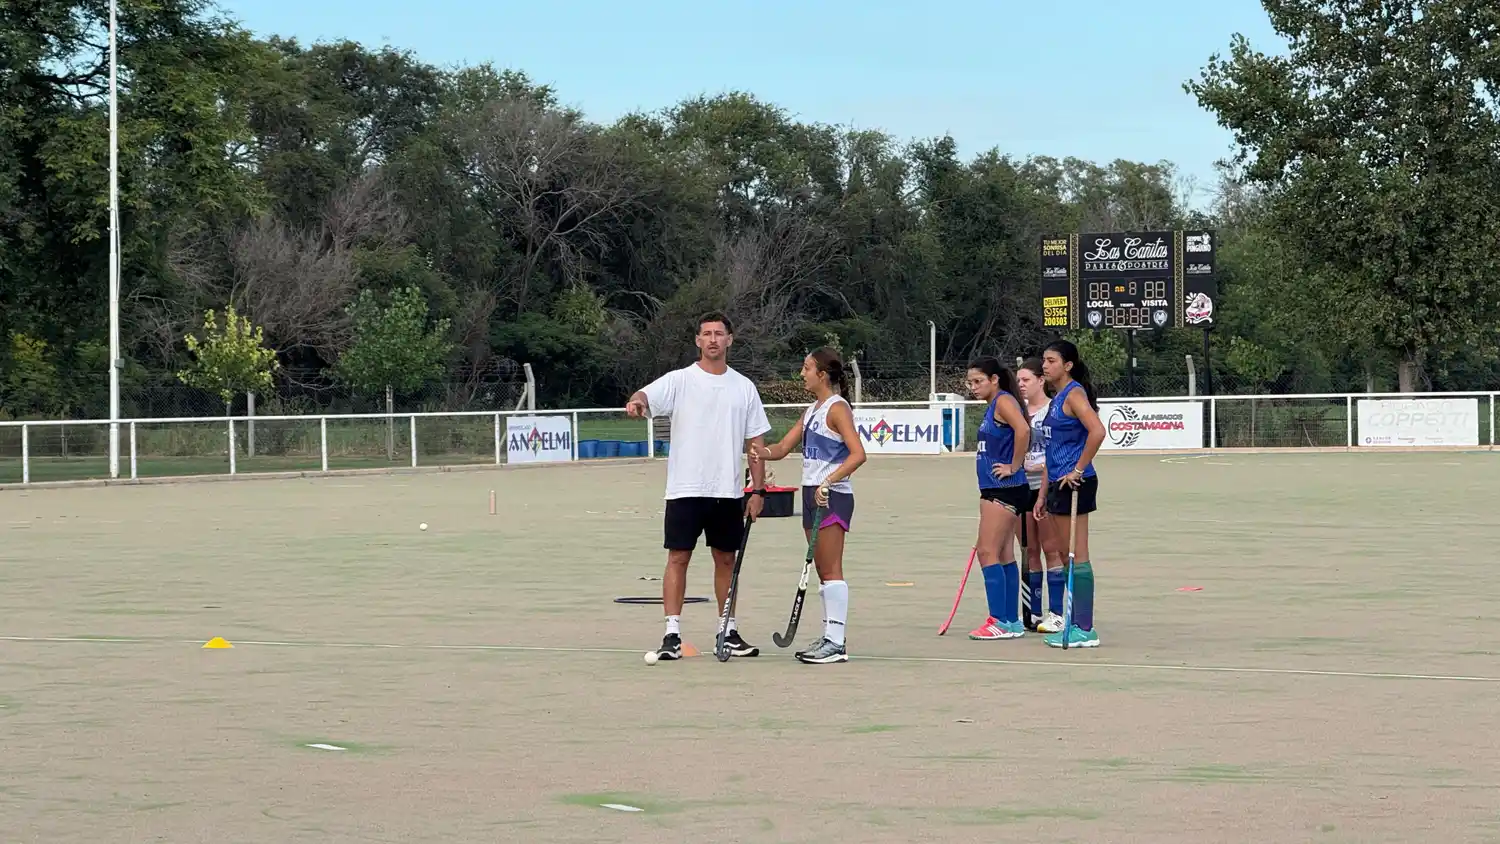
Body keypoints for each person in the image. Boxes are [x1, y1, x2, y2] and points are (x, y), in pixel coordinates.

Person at [625, 312, 772, 662]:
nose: (713, 340)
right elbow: (644, 394)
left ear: (729, 340)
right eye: (706, 334)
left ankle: (727, 630)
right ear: (697, 340)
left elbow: (756, 443)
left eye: (719, 334)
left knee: (726, 559)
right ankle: (672, 634)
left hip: (727, 491)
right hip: (685, 488)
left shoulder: (744, 388)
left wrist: (757, 490)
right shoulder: (679, 380)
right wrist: (638, 401)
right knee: (678, 558)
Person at [750, 347, 867, 664]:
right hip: (810, 493)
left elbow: (858, 454)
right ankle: (830, 636)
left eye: (807, 368)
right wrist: (760, 452)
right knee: (822, 571)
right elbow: (782, 447)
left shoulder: (837, 408)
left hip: (832, 495)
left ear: (822, 375)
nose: (802, 374)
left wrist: (829, 481)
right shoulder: (812, 410)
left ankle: (836, 643)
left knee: (831, 570)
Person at [1031, 339, 1107, 648]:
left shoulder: (1074, 394)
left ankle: (1084, 628)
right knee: (1064, 554)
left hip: (1075, 483)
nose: (1045, 366)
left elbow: (1097, 431)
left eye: (1051, 361)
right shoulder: (1056, 399)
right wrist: (1042, 494)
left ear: (1068, 365)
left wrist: (1077, 469)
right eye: (1044, 360)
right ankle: (1074, 623)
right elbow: (1052, 450)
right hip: (1056, 484)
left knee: (1077, 554)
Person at [965, 356, 1031, 641]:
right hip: (995, 488)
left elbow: (1024, 430)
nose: (973, 387)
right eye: (970, 382)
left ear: (995, 380)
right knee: (1003, 553)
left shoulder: (1003, 401)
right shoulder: (994, 404)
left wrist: (1014, 466)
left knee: (987, 552)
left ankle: (998, 620)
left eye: (978, 381)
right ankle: (1011, 620)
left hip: (1003, 488)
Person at [1017, 357, 1066, 633]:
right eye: (1018, 380)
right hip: (1020, 486)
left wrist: (1040, 466)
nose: (1021, 385)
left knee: (1051, 549)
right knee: (1029, 549)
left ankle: (1056, 613)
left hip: (1046, 485)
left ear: (1040, 380)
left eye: (1026, 380)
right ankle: (1032, 611)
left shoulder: (1053, 409)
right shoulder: (1016, 410)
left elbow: (1057, 448)